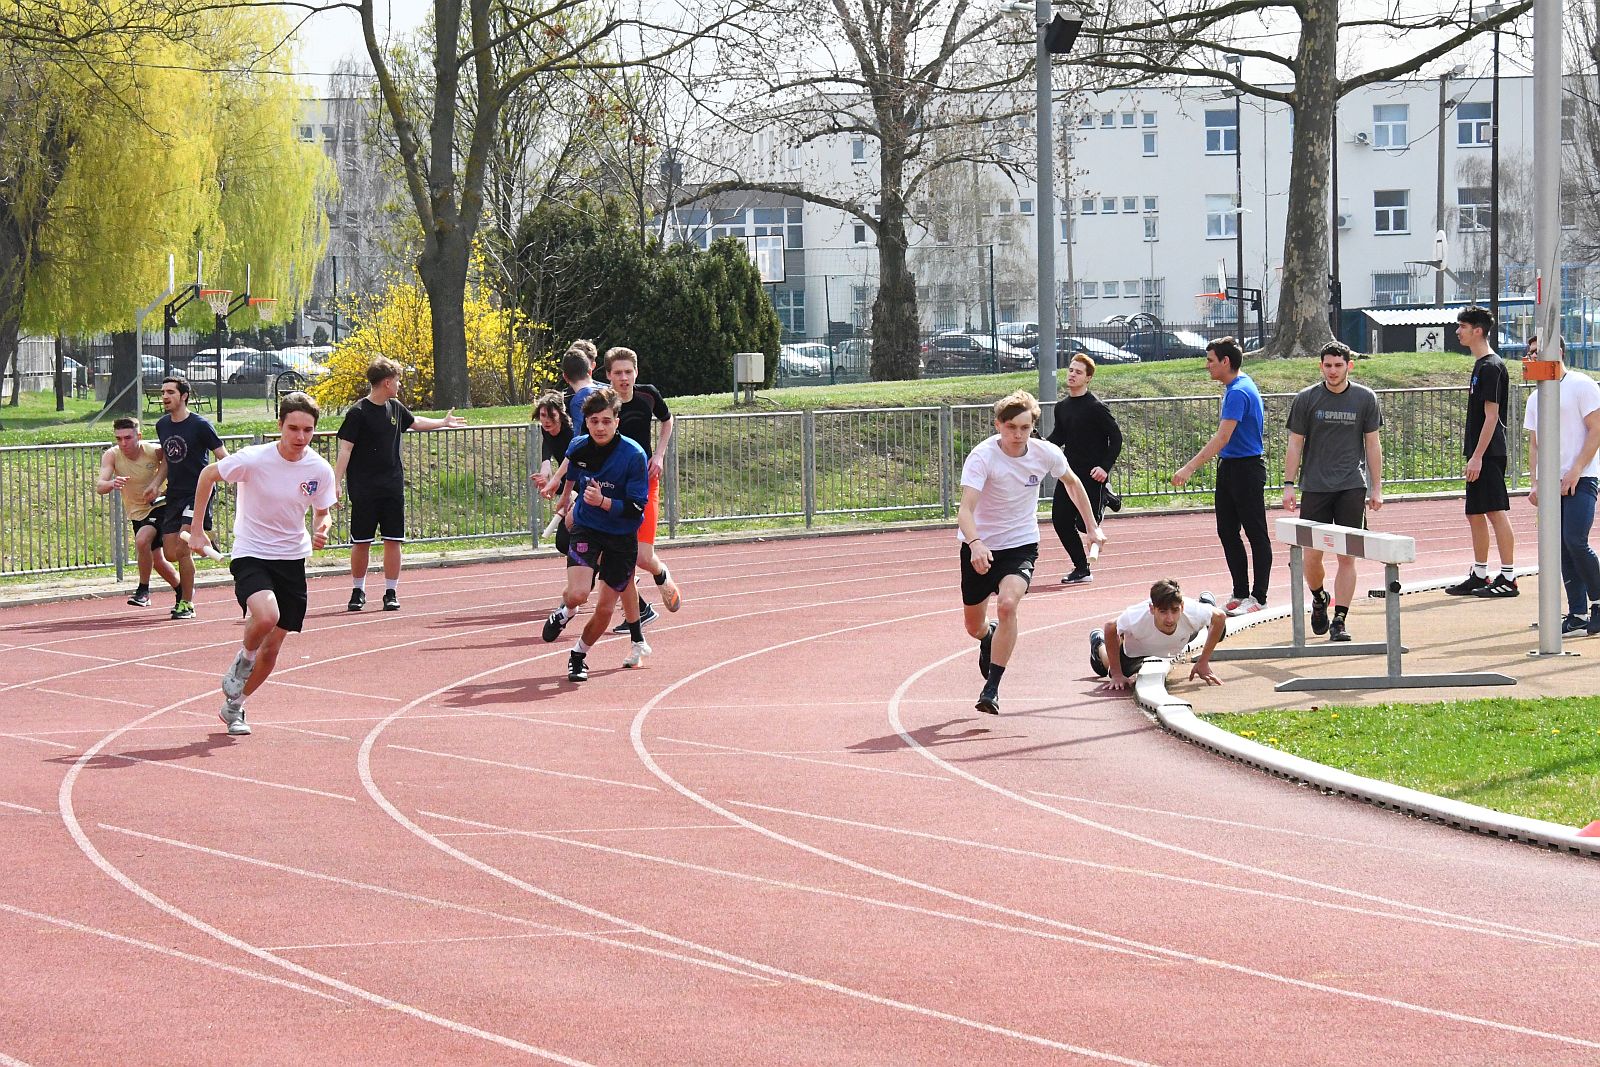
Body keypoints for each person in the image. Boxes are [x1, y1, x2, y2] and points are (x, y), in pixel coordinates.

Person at [189, 393, 338, 736]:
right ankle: (244, 658)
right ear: (280, 425)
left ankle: (234, 706)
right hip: (252, 552)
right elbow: (208, 475)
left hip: (292, 558)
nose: (300, 437)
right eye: (293, 428)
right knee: (267, 615)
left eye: (308, 430)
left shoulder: (319, 469)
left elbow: (323, 511)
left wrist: (322, 528)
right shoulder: (254, 459)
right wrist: (197, 530)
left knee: (272, 649)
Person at [958, 389, 1105, 716]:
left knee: (1007, 604)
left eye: (1025, 428)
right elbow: (965, 510)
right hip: (980, 546)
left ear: (1033, 427)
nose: (1018, 435)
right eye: (1011, 427)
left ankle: (992, 688)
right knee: (974, 627)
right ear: (998, 425)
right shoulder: (982, 457)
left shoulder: (1045, 453)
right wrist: (975, 543)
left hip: (1020, 544)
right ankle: (988, 636)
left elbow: (1072, 483)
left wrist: (1092, 527)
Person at [332, 357, 466, 612]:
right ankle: (358, 590)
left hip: (391, 487)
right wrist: (336, 483)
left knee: (393, 540)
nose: (399, 385)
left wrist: (443, 422)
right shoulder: (357, 413)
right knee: (361, 541)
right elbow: (345, 450)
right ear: (386, 382)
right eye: (397, 381)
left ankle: (390, 591)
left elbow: (415, 421)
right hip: (364, 489)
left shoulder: (394, 407)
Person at [540, 388, 652, 679]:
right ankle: (565, 611)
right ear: (586, 423)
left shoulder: (633, 455)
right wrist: (566, 496)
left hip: (621, 536)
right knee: (578, 593)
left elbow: (636, 508)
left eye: (606, 421)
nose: (600, 427)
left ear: (617, 421)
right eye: (593, 421)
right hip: (587, 527)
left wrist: (603, 501)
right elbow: (573, 471)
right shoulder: (579, 447)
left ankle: (578, 655)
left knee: (604, 610)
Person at [1282, 341, 1384, 642]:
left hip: (1351, 485)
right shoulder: (1306, 399)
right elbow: (1295, 443)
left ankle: (1340, 619)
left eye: (1338, 365)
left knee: (1347, 556)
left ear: (1349, 366)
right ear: (1321, 366)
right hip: (1315, 486)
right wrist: (1288, 485)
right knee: (1312, 557)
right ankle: (1319, 597)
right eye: (1328, 365)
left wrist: (1376, 488)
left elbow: (1373, 444)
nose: (1333, 371)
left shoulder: (1365, 398)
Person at [1172, 337, 1270, 617]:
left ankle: (1259, 596)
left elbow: (1223, 437)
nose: (1207, 366)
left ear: (1226, 362)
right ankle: (1240, 592)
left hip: (1246, 469)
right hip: (1230, 468)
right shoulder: (1235, 387)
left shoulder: (1239, 391)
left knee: (1256, 533)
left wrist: (1189, 467)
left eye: (1210, 361)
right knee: (1227, 531)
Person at [1523, 335, 1600, 636]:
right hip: (1551, 482)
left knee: (1575, 540)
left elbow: (1596, 429)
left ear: (1557, 352)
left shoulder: (1581, 385)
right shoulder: (1535, 397)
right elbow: (1534, 443)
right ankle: (1577, 613)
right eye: (1529, 353)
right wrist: (1535, 482)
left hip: (1583, 477)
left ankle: (1598, 602)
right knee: (1560, 547)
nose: (1531, 358)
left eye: (1536, 352)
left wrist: (1576, 469)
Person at [602, 346, 682, 628]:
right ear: (608, 375)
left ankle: (660, 574)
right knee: (613, 555)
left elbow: (667, 420)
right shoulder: (604, 404)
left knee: (643, 557)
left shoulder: (648, 395)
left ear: (636, 372)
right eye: (618, 373)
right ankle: (638, 613)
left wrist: (659, 454)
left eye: (628, 372)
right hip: (614, 486)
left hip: (645, 482)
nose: (624, 378)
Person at [1446, 305, 1518, 598]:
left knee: (1494, 511)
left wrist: (1477, 456)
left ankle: (1509, 577)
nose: (1458, 332)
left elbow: (1492, 416)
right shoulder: (1480, 365)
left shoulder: (1491, 366)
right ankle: (1479, 573)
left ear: (1478, 331)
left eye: (1462, 327)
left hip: (1488, 453)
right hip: (1478, 452)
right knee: (1474, 513)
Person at [1045, 353, 1122, 584]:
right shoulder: (1062, 407)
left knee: (1084, 524)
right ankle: (1082, 568)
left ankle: (1105, 497)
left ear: (1088, 378)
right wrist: (1039, 445)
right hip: (1069, 473)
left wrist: (1105, 467)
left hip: (1092, 475)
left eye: (1078, 372)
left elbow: (1116, 438)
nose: (1072, 375)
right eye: (1070, 370)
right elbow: (1059, 436)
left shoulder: (1096, 407)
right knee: (1060, 520)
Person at [156, 376, 227, 620]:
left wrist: (232, 477)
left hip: (197, 493)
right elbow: (167, 460)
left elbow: (222, 455)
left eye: (170, 392)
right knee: (170, 553)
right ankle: (206, 539)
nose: (165, 397)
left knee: (182, 547)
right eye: (163, 392)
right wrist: (155, 485)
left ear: (184, 396)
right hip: (174, 494)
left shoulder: (200, 425)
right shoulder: (162, 425)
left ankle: (186, 603)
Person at [95, 417, 180, 607]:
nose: (123, 443)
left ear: (139, 436)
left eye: (128, 438)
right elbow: (100, 486)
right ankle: (183, 590)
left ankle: (143, 591)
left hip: (160, 506)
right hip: (137, 512)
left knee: (142, 539)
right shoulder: (112, 455)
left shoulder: (153, 451)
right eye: (119, 439)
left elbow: (169, 461)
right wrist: (112, 483)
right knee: (157, 560)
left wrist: (157, 484)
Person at [1089, 578, 1225, 690]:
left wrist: (1203, 661)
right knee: (1107, 668)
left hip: (1184, 637)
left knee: (1219, 630)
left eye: (1175, 610)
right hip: (1139, 648)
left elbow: (1220, 617)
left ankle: (1207, 605)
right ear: (1152, 609)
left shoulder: (1192, 612)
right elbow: (1110, 627)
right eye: (1163, 611)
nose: (1170, 619)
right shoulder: (1136, 617)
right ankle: (1098, 643)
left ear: (1182, 607)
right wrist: (1117, 673)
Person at [532, 392, 575, 548]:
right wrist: (545, 467)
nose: (547, 420)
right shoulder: (546, 429)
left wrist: (558, 483)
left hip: (583, 485)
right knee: (563, 543)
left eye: (552, 416)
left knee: (567, 540)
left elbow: (574, 463)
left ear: (561, 414)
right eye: (543, 415)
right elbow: (548, 444)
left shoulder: (571, 434)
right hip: (568, 486)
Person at [562, 348, 599, 430]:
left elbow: (579, 433)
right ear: (590, 372)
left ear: (565, 377)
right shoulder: (607, 391)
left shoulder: (578, 401)